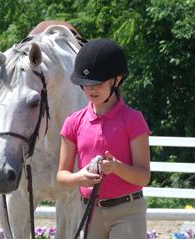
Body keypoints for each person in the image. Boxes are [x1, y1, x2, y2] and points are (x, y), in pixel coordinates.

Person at [57, 38, 151, 239]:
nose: (91, 90)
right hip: (89, 211)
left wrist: (117, 167)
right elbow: (62, 176)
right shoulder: (73, 122)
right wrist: (79, 178)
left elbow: (144, 177)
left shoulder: (133, 120)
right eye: (86, 84)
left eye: (98, 84)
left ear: (116, 80)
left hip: (128, 210)